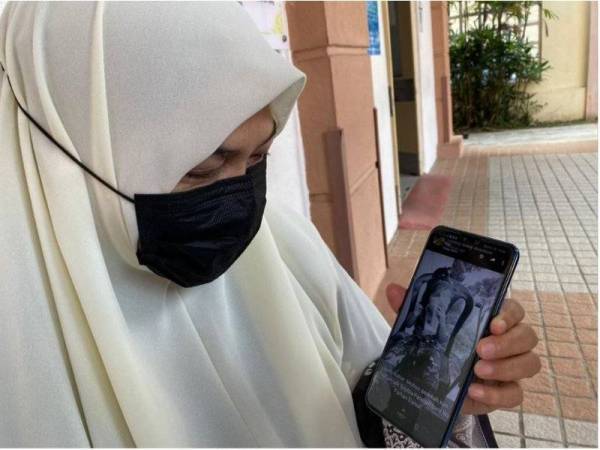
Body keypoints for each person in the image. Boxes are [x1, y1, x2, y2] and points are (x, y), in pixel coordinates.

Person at [0, 2, 540, 447]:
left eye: (259, 158)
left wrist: (449, 400)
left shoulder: (284, 245)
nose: (238, 199)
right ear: (68, 151)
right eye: (203, 168)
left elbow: (371, 412)